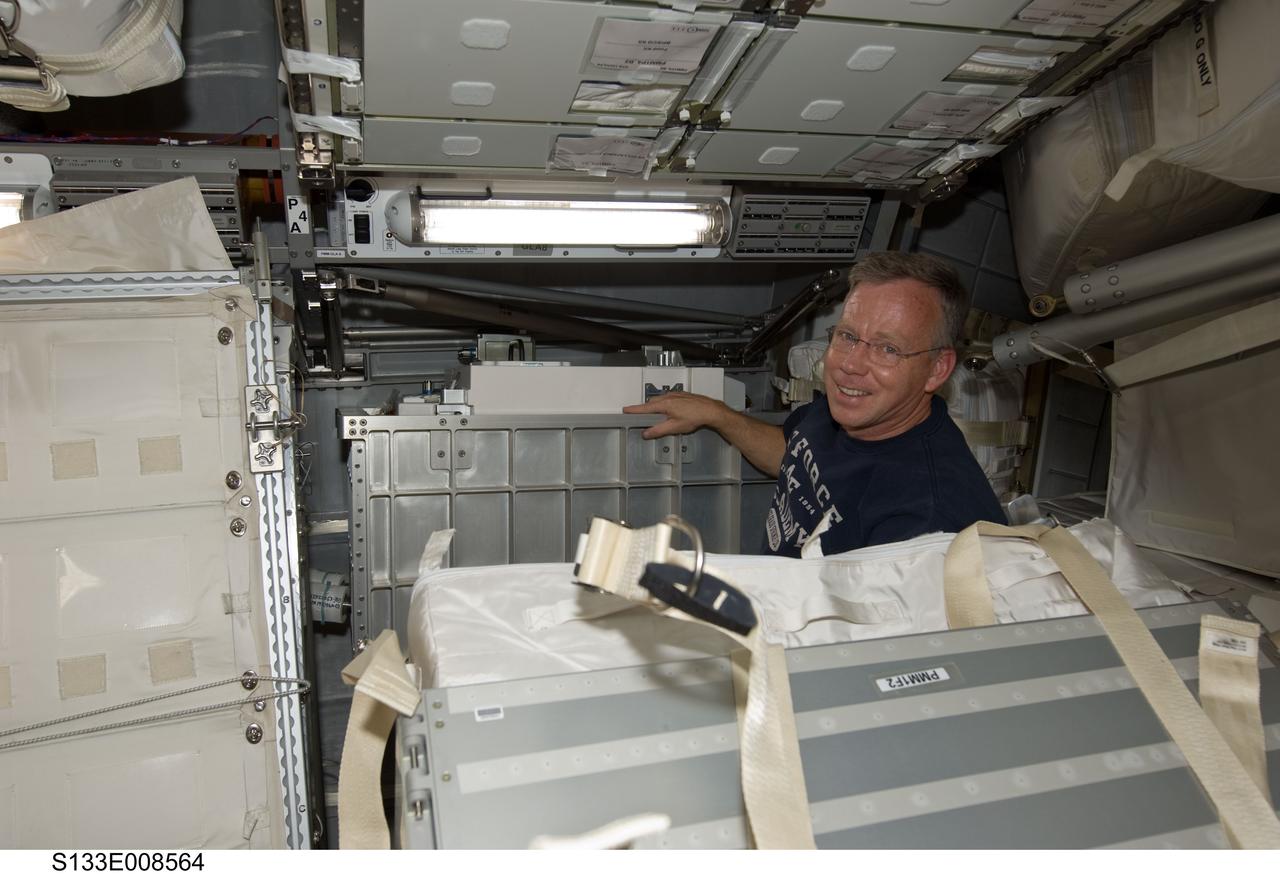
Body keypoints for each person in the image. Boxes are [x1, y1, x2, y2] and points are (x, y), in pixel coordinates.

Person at [623, 251, 1005, 557]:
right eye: (848, 336)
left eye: (888, 349)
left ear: (937, 369)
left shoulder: (930, 520)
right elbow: (795, 454)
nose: (850, 366)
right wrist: (719, 415)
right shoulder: (853, 410)